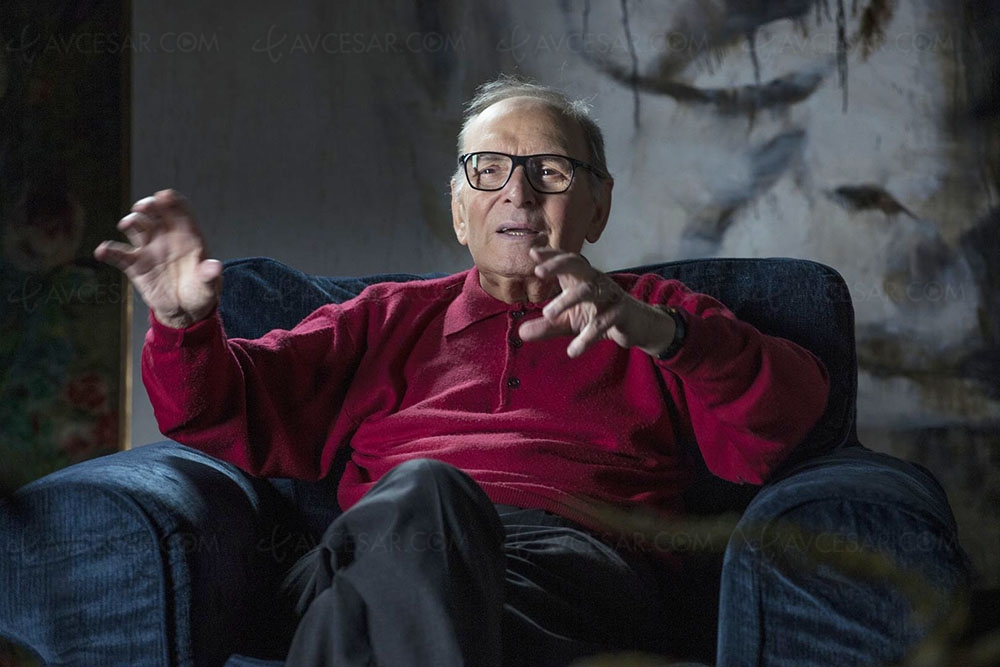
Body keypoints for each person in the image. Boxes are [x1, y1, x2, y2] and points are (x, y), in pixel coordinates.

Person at [95, 76, 830, 666]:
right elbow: (225, 411)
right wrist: (184, 327)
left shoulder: (657, 314)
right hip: (380, 555)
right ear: (458, 208)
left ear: (598, 206)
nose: (518, 193)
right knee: (420, 504)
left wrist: (667, 338)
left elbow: (789, 421)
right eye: (490, 170)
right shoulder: (383, 319)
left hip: (570, 576)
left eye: (550, 171)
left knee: (410, 524)